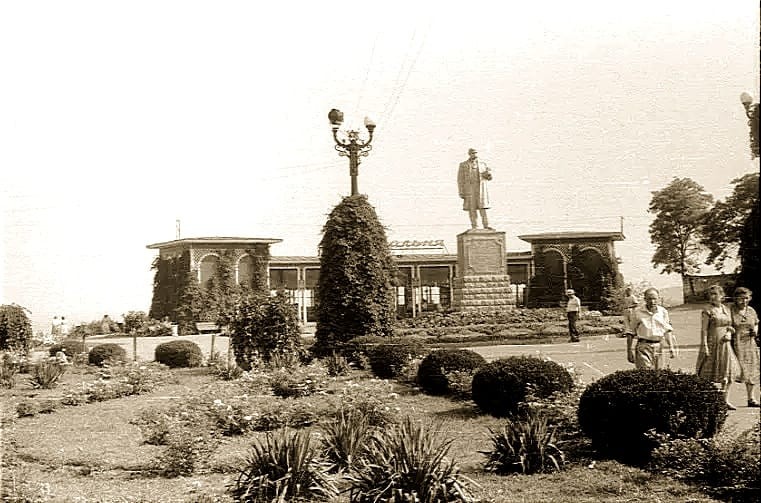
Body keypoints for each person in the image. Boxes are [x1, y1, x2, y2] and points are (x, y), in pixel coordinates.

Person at [695, 285, 741, 409]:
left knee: (727, 371)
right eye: (711, 294)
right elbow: (704, 330)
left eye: (715, 294)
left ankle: (724, 400)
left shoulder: (726, 309)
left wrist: (729, 333)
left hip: (725, 343)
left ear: (722, 296)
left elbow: (731, 326)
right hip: (712, 343)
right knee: (707, 373)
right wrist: (704, 345)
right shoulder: (707, 310)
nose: (712, 297)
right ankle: (707, 401)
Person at [627, 287, 678, 370]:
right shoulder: (637, 312)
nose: (652, 302)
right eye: (649, 299)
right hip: (643, 347)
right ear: (645, 299)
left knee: (659, 373)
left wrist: (671, 347)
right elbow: (630, 332)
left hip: (659, 346)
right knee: (645, 373)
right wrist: (629, 351)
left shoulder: (663, 312)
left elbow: (667, 330)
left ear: (658, 298)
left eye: (654, 299)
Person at [729, 287, 759, 407]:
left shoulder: (751, 310)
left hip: (750, 344)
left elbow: (756, 323)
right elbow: (726, 324)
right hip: (734, 343)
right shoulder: (730, 310)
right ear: (735, 299)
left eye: (746, 298)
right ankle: (726, 400)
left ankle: (751, 398)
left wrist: (755, 331)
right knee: (731, 371)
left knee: (752, 370)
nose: (744, 301)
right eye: (741, 299)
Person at [457, 148, 492, 229]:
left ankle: (486, 225)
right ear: (469, 154)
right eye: (472, 153)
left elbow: (489, 178)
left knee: (482, 207)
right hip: (469, 189)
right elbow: (460, 179)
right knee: (472, 208)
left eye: (475, 153)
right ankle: (474, 225)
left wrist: (488, 174)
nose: (474, 154)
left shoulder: (483, 164)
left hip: (480, 189)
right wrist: (461, 191)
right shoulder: (463, 165)